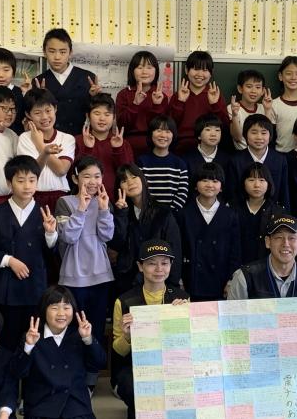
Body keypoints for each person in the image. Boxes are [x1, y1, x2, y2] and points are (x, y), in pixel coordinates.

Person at [0, 155, 57, 350]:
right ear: (9, 183)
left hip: (35, 289)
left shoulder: (44, 213)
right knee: (8, 344)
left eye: (32, 180)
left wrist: (50, 234)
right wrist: (9, 260)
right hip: (5, 291)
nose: (27, 186)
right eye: (20, 181)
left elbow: (53, 255)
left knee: (34, 343)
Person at [112, 240, 190, 419]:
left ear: (171, 265)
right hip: (136, 365)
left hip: (172, 363)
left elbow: (188, 345)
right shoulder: (123, 301)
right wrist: (127, 337)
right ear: (140, 266)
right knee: (130, 385)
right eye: (151, 263)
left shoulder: (182, 298)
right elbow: (118, 352)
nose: (159, 269)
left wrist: (184, 318)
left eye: (164, 263)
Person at [13, 286, 105, 419]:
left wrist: (88, 339)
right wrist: (28, 346)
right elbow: (17, 372)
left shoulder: (79, 335)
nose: (61, 313)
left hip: (75, 406)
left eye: (66, 308)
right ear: (44, 310)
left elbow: (99, 363)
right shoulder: (32, 336)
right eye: (55, 308)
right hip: (42, 406)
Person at [55, 156, 115, 343]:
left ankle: (94, 362)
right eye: (86, 176)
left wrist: (104, 210)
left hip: (101, 275)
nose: (93, 181)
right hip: (74, 276)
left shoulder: (104, 201)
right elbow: (68, 237)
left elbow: (107, 236)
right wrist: (81, 209)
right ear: (75, 178)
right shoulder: (64, 202)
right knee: (74, 329)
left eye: (97, 176)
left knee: (96, 329)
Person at [110, 164, 182, 292]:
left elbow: (174, 250)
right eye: (124, 180)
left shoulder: (163, 213)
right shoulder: (120, 213)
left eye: (134, 177)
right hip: (128, 283)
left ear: (143, 180)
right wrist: (121, 214)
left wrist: (172, 285)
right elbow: (117, 244)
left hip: (159, 281)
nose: (130, 183)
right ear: (119, 188)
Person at [177, 162, 241, 301]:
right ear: (195, 185)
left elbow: (235, 251)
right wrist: (179, 279)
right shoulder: (184, 214)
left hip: (221, 282)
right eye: (204, 180)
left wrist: (231, 280)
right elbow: (178, 249)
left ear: (221, 187)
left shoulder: (230, 215)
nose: (210, 185)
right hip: (191, 281)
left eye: (215, 181)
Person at [16, 87, 75, 212]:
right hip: (32, 196)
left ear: (55, 109)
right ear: (28, 114)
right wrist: (45, 151)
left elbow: (61, 170)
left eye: (48, 111)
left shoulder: (67, 138)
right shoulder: (24, 138)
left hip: (60, 196)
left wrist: (39, 144)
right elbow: (30, 173)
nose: (44, 117)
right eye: (37, 113)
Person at [35, 28, 99, 135]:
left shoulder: (88, 78)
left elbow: (98, 112)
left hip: (82, 138)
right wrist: (40, 97)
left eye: (63, 52)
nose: (57, 57)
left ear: (70, 53)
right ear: (44, 52)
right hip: (49, 139)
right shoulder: (38, 82)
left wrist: (95, 97)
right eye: (52, 51)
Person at [168, 50, 229, 153]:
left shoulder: (215, 95)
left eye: (205, 70)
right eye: (196, 69)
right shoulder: (178, 96)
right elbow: (170, 126)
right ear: (186, 70)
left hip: (208, 147)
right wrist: (180, 102)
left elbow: (225, 127)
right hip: (181, 147)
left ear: (211, 73)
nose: (200, 74)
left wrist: (215, 105)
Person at [75, 93, 135, 198]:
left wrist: (118, 149)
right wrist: (87, 148)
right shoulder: (78, 141)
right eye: (97, 113)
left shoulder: (123, 143)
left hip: (116, 200)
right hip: (84, 199)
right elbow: (74, 173)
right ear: (88, 116)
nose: (102, 118)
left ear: (114, 117)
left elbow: (127, 174)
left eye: (107, 114)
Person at [226, 114, 290, 207]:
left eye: (264, 133)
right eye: (254, 132)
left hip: (273, 211)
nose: (259, 137)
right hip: (243, 211)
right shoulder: (236, 161)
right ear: (245, 134)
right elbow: (232, 193)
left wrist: (284, 213)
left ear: (270, 135)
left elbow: (284, 191)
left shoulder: (280, 160)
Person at [115, 50, 168, 156]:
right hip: (128, 145)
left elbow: (162, 128)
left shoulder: (161, 96)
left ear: (156, 71)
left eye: (149, 67)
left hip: (155, 145)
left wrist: (157, 105)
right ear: (132, 71)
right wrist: (135, 104)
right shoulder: (124, 94)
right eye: (140, 67)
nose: (144, 72)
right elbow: (121, 125)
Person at [233, 162, 287, 264]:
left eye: (262, 180)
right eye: (251, 180)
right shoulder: (233, 210)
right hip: (238, 266)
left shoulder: (278, 212)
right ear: (243, 183)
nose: (257, 185)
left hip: (267, 266)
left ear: (269, 184)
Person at [135, 115, 190, 210]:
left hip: (171, 214)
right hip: (147, 212)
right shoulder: (142, 161)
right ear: (151, 134)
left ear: (173, 135)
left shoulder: (179, 164)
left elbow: (183, 192)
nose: (163, 135)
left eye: (168, 131)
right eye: (159, 130)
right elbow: (139, 190)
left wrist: (169, 212)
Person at [228, 69, 276, 150]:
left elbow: (268, 135)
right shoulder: (233, 107)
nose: (253, 91)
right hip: (242, 153)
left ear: (263, 91)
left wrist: (267, 110)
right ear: (240, 89)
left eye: (258, 87)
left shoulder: (264, 107)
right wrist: (235, 115)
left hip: (261, 152)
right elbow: (237, 138)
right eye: (249, 86)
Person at [181, 113, 231, 178]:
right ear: (199, 135)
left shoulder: (227, 159)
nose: (213, 134)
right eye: (208, 129)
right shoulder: (186, 159)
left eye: (217, 130)